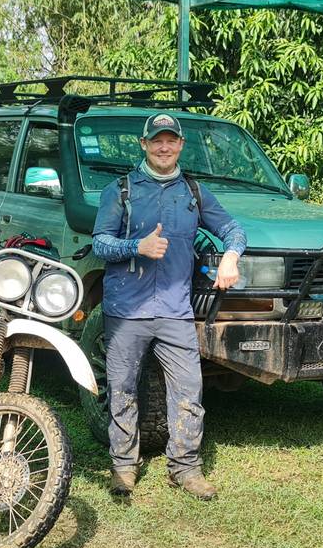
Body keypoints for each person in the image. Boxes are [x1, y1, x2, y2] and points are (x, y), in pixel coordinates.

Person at [92, 112, 246, 500]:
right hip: (126, 310)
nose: (164, 147)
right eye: (156, 141)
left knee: (189, 389)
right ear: (144, 145)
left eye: (171, 140)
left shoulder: (193, 192)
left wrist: (231, 255)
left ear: (180, 145)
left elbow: (232, 229)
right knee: (123, 389)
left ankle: (185, 468)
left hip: (175, 309)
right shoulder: (121, 190)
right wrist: (135, 247)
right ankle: (124, 467)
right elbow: (99, 243)